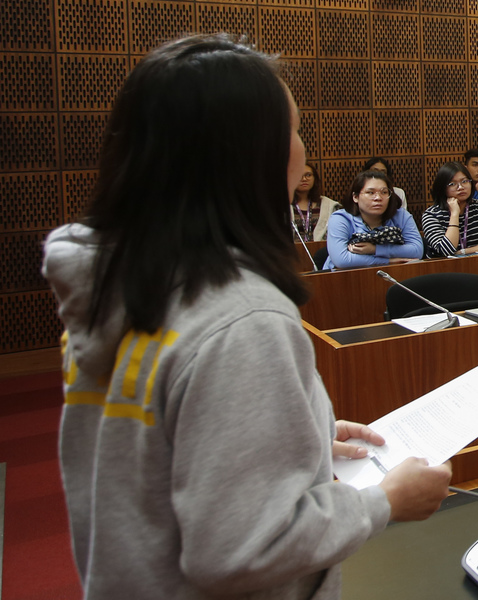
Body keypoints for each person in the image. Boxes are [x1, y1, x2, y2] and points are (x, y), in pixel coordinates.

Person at [40, 35, 451, 599]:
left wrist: (295, 439)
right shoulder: (242, 318)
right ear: (249, 156)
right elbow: (241, 550)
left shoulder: (125, 278)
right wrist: (382, 502)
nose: (303, 150)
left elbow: (154, 438)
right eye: (295, 130)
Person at [323, 170, 423, 270]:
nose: (378, 198)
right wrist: (388, 262)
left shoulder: (401, 216)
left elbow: (417, 250)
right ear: (355, 197)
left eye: (384, 192)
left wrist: (375, 249)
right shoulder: (341, 219)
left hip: (395, 273)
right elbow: (342, 260)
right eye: (370, 192)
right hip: (344, 278)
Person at [422, 161, 478, 257]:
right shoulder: (431, 215)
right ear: (442, 188)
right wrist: (454, 214)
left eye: (465, 181)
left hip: (476, 263)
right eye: (452, 184)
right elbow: (445, 250)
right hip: (441, 268)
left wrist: (463, 252)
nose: (461, 187)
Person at [291, 162, 341, 242]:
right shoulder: (281, 205)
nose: (304, 179)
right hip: (290, 252)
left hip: (322, 252)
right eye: (298, 175)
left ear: (315, 178)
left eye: (308, 175)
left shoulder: (329, 205)